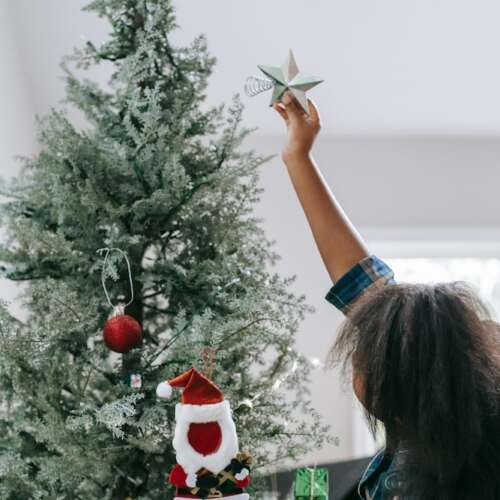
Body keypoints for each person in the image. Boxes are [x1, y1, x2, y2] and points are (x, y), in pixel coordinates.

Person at [273, 93, 500, 500]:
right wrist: (298, 156)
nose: (354, 370)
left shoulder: (439, 475)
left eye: (364, 355)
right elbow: (360, 281)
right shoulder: (427, 413)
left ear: (399, 383)